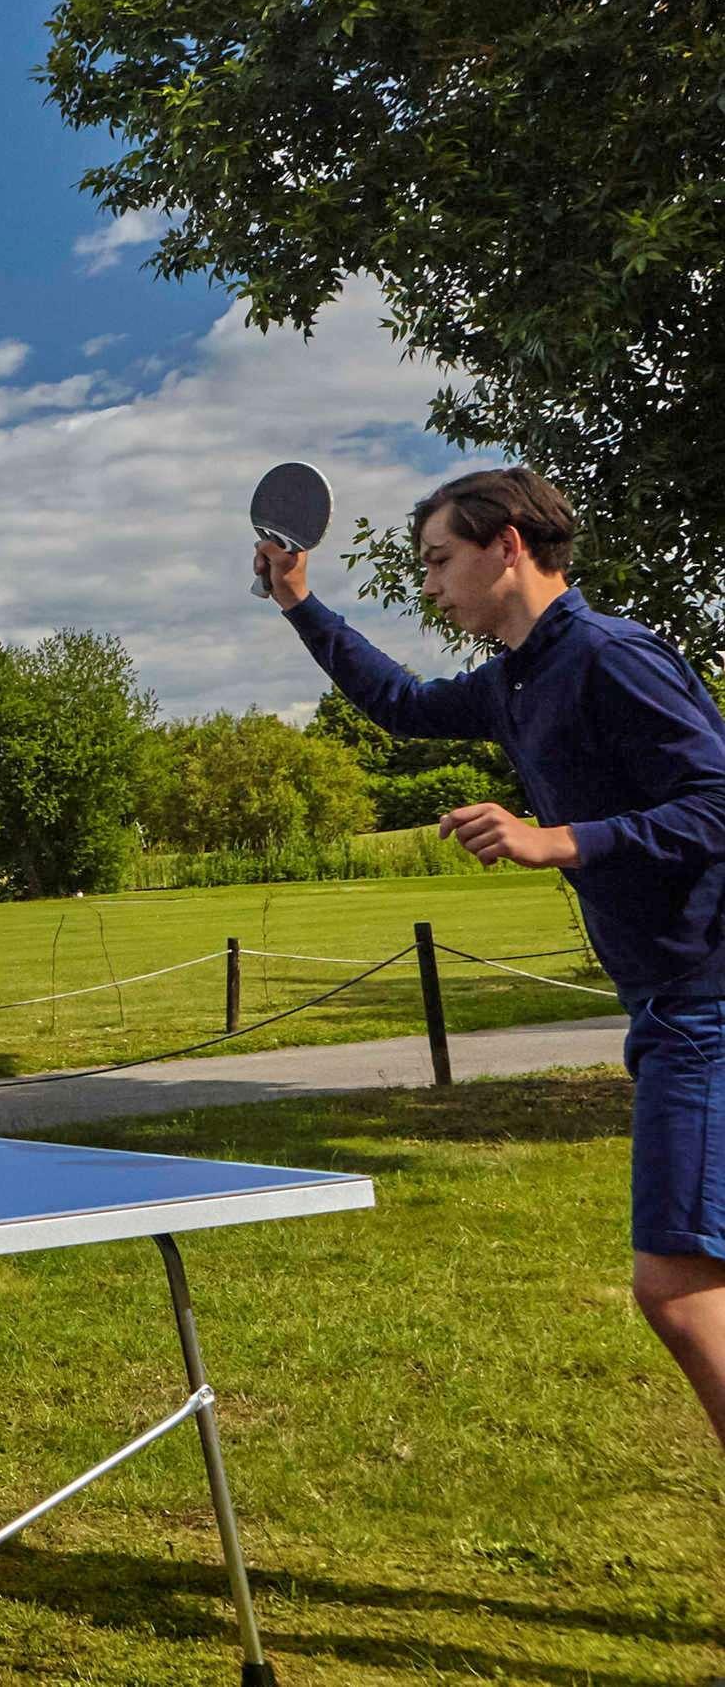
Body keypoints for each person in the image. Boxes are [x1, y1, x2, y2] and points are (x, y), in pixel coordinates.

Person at [261, 465, 725, 1453]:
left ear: (508, 544)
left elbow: (717, 804)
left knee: (678, 1294)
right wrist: (301, 604)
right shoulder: (519, 679)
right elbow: (400, 704)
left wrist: (557, 839)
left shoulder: (609, 657)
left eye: (439, 560)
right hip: (667, 998)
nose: (429, 584)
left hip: (708, 999)